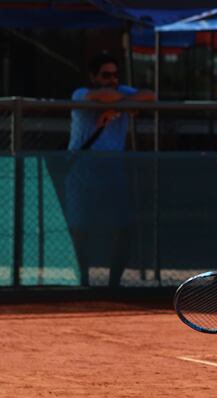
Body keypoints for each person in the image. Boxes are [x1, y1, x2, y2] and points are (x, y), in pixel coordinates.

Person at [66, 52, 154, 287]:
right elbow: (103, 96)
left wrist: (117, 106)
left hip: (113, 171)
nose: (112, 80)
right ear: (93, 77)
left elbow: (149, 95)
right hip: (82, 171)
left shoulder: (122, 91)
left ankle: (113, 284)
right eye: (106, 75)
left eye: (115, 75)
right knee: (79, 231)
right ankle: (82, 281)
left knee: (122, 229)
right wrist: (124, 105)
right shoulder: (80, 93)